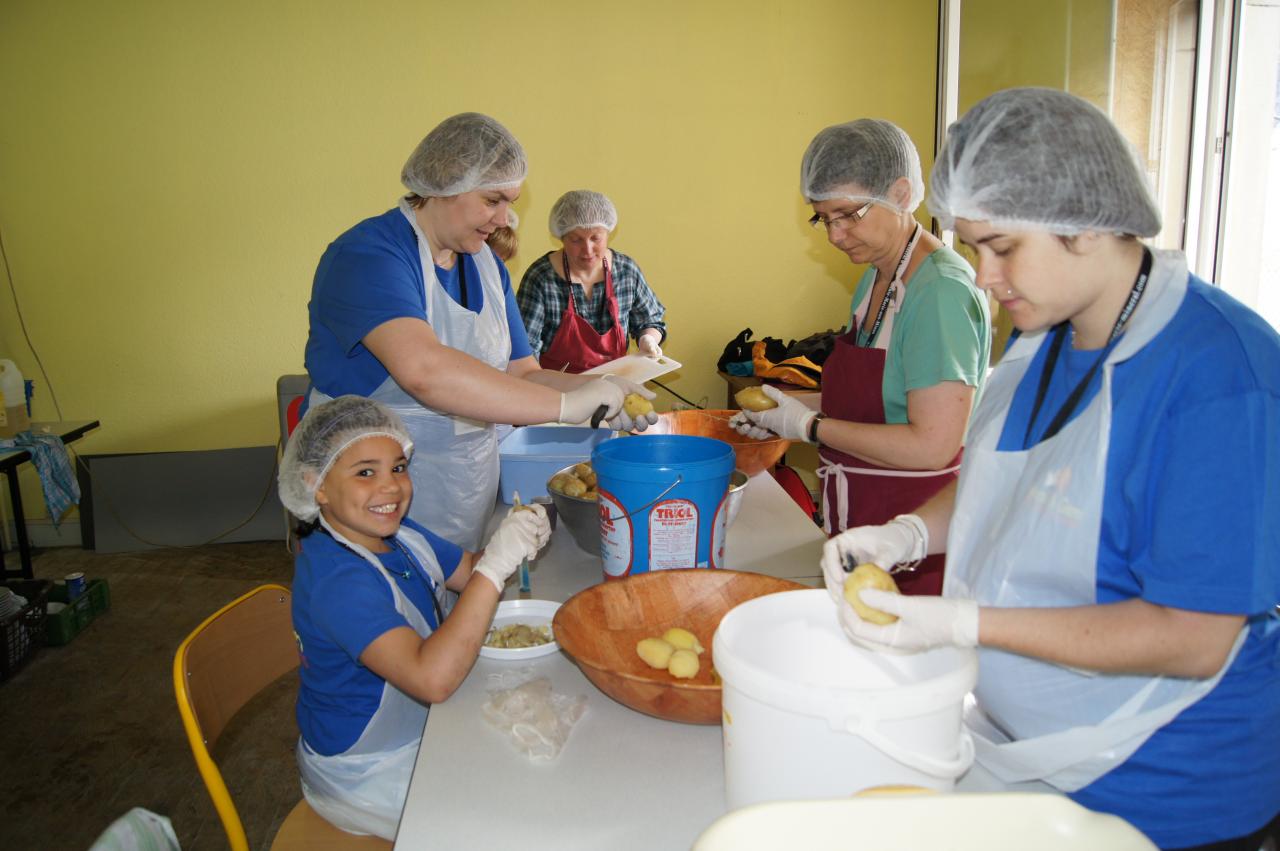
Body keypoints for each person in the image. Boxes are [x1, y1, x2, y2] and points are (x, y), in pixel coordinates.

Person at [825, 88, 1280, 850]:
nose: (985, 275)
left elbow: (1194, 634)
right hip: (1028, 751)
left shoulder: (1219, 377)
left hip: (1167, 785)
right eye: (973, 248)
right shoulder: (1043, 340)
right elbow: (1005, 479)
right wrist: (905, 534)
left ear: (1088, 223)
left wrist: (964, 622)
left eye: (1001, 247)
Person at [304, 114, 654, 552]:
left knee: (452, 606)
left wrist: (598, 389)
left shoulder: (485, 266)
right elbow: (424, 371)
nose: (506, 219)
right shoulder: (369, 255)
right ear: (443, 184)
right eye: (493, 200)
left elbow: (523, 373)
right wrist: (566, 405)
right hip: (366, 497)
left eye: (510, 202)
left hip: (459, 490)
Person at [733, 119, 991, 595]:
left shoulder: (939, 294)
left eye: (848, 215)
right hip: (860, 517)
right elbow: (873, 405)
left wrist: (807, 428)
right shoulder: (876, 276)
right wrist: (780, 414)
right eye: (823, 218)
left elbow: (933, 444)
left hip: (913, 537)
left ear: (901, 192)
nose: (834, 235)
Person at [279, 395, 550, 840]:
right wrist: (497, 566)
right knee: (508, 826)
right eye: (365, 472)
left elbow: (468, 570)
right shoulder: (338, 581)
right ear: (316, 484)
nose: (390, 487)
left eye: (398, 468)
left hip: (423, 729)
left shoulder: (398, 535)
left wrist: (517, 537)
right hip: (365, 771)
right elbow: (432, 680)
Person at [516, 190, 667, 373]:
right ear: (561, 238)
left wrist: (647, 339)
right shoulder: (541, 278)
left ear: (608, 233)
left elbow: (650, 320)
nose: (587, 250)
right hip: (557, 391)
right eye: (576, 240)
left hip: (614, 386)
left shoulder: (626, 272)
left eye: (596, 238)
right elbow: (524, 351)